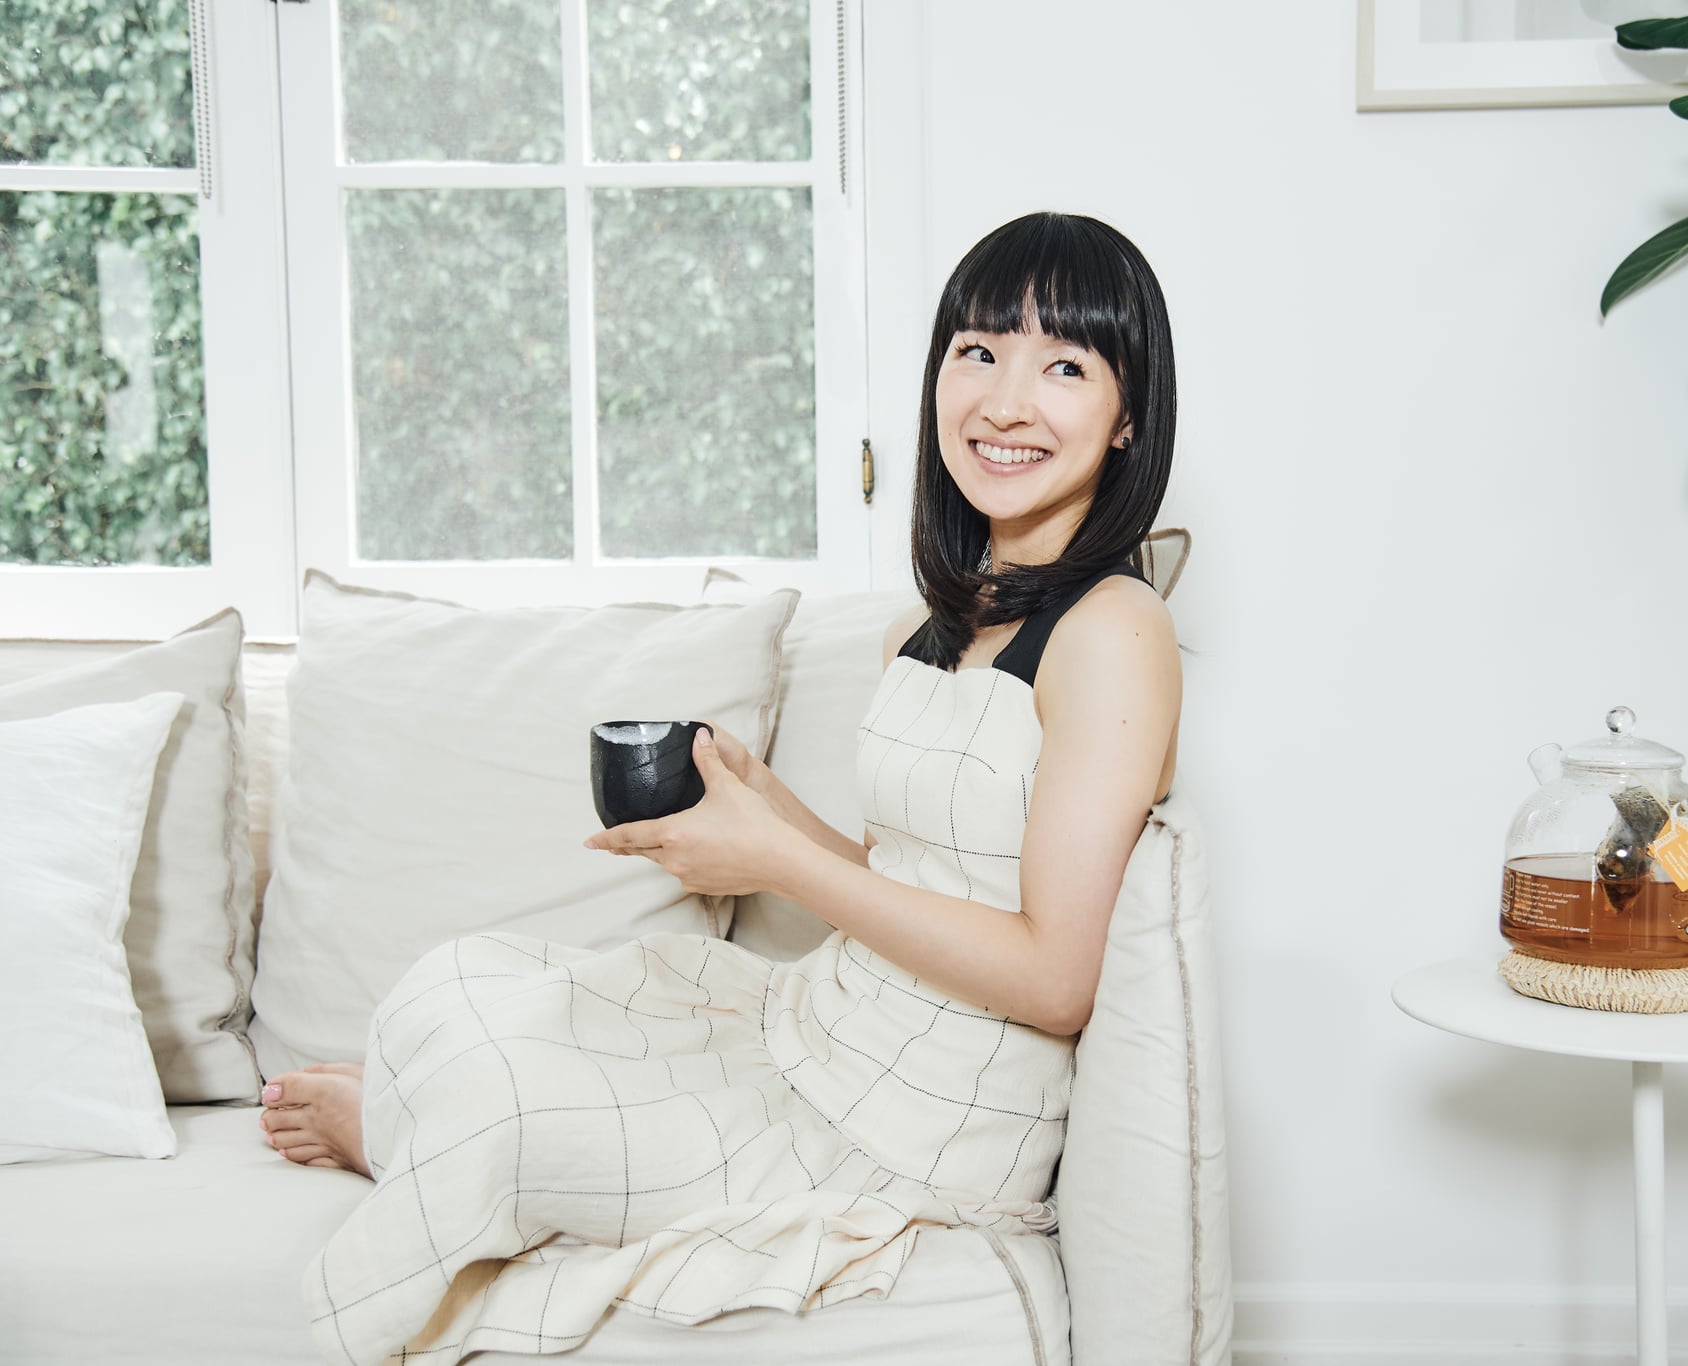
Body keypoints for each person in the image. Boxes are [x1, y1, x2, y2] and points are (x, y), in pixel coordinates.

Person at [259, 210, 1181, 1361]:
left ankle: (404, 1141)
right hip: (824, 1033)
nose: (1002, 400)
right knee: (462, 982)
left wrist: (776, 862)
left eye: (1062, 366)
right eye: (976, 351)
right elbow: (919, 882)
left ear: (1126, 413)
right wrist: (762, 805)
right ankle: (429, 1135)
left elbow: (1053, 975)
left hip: (914, 1126)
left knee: (494, 1103)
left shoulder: (1113, 631)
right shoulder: (943, 621)